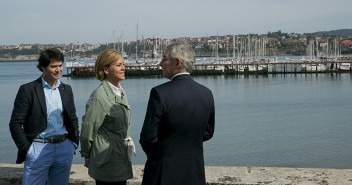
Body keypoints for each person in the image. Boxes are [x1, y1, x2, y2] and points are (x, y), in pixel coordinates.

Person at [139, 43, 215, 185]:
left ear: (177, 63)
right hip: (195, 172)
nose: (160, 63)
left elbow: (147, 137)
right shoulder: (207, 93)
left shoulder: (159, 93)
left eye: (164, 59)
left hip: (163, 172)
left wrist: (162, 154)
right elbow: (208, 132)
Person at [9, 48, 79, 185]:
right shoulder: (28, 90)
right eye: (53, 66)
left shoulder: (67, 89)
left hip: (64, 147)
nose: (58, 70)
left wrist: (73, 143)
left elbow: (73, 118)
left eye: (60, 65)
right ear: (43, 67)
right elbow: (15, 124)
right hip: (38, 148)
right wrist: (29, 149)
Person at [80, 49, 134, 185]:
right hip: (106, 160)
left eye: (123, 64)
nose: (123, 68)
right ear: (106, 69)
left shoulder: (119, 90)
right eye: (118, 65)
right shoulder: (99, 96)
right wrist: (87, 155)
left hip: (120, 156)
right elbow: (88, 130)